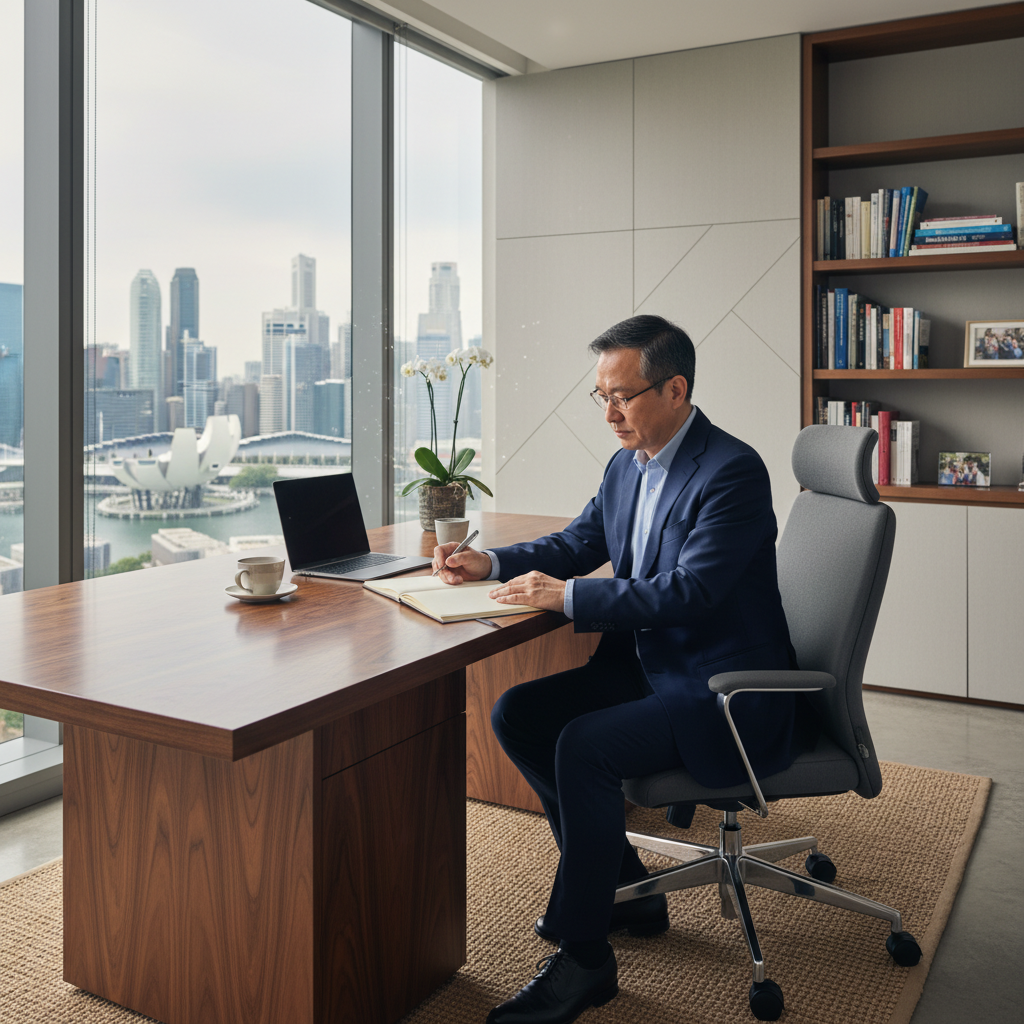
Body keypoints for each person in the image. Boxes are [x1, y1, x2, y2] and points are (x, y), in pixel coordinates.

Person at [431, 315, 812, 1024]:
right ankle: (626, 890)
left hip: (719, 690)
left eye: (623, 396)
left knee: (584, 745)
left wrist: (567, 596)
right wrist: (492, 562)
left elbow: (690, 593)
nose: (608, 413)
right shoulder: (626, 463)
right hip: (651, 665)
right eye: (600, 396)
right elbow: (580, 540)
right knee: (520, 713)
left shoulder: (730, 471)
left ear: (675, 389)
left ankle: (586, 961)